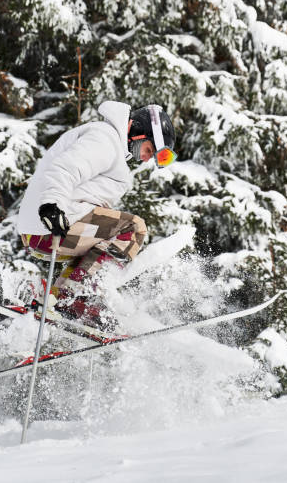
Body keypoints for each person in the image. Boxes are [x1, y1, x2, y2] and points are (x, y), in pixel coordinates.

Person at [16, 100, 176, 331]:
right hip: (50, 223)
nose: (145, 158)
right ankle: (76, 297)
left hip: (47, 226)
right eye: (149, 150)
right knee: (133, 229)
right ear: (136, 131)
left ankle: (57, 295)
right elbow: (65, 168)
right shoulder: (105, 139)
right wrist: (52, 205)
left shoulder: (110, 146)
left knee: (101, 246)